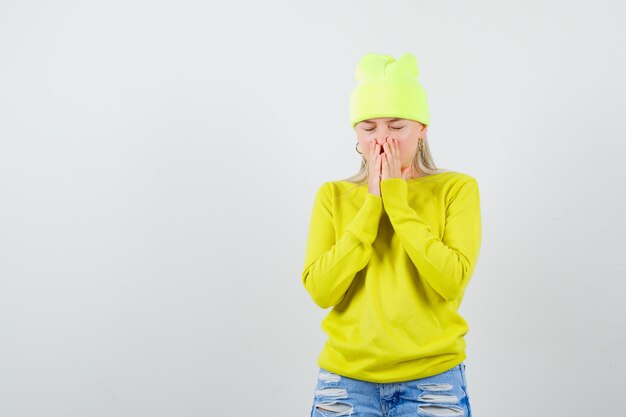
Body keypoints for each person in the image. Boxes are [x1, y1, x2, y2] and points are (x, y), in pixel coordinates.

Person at [302, 52, 481, 417]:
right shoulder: (332, 195)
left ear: (422, 131)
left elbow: (451, 281)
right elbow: (321, 291)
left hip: (432, 382)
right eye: (369, 128)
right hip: (345, 383)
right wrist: (371, 203)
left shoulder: (457, 188)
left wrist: (396, 201)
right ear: (356, 135)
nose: (382, 139)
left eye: (396, 126)